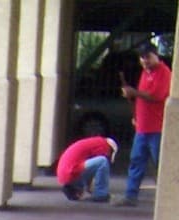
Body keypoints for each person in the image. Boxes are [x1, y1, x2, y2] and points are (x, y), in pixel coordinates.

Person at [119, 43, 172, 206]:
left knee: (160, 163)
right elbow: (142, 99)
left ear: (157, 56)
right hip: (142, 126)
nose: (144, 61)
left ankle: (167, 197)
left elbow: (156, 96)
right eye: (142, 58)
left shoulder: (164, 73)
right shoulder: (145, 73)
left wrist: (133, 92)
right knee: (136, 161)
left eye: (148, 57)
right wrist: (136, 115)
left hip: (157, 127)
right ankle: (130, 195)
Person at [56, 135, 120, 203]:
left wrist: (88, 187)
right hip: (72, 171)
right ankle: (101, 194)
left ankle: (74, 187)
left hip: (65, 173)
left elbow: (90, 167)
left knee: (96, 164)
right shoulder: (103, 145)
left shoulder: (94, 142)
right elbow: (97, 165)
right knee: (103, 161)